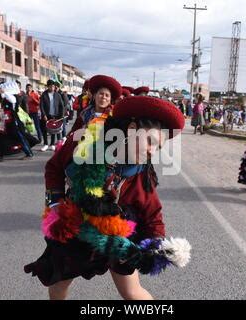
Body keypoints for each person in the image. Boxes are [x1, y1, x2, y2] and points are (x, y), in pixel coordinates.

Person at [25, 96, 191, 300]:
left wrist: (157, 246)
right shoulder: (84, 141)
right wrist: (55, 201)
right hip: (76, 225)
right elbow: (54, 168)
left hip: (115, 236)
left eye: (157, 148)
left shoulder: (141, 174)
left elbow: (152, 213)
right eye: (150, 141)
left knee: (132, 292)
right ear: (131, 128)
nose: (152, 152)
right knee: (59, 282)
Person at [0, 82, 35, 161]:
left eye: (2, 89)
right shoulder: (6, 97)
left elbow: (12, 103)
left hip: (13, 121)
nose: (0, 90)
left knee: (20, 137)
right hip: (5, 122)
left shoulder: (13, 97)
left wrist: (5, 93)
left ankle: (29, 153)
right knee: (0, 137)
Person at [39, 80, 66, 152]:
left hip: (55, 115)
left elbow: (61, 105)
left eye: (53, 86)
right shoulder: (44, 94)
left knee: (54, 130)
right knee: (44, 130)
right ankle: (45, 144)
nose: (52, 87)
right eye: (50, 86)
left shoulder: (57, 95)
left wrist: (61, 115)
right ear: (47, 86)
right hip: (46, 116)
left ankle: (52, 144)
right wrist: (44, 114)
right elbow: (41, 105)